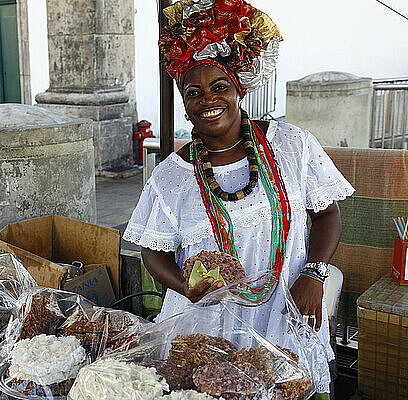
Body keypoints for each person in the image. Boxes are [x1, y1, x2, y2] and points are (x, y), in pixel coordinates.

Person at [123, 0, 354, 397]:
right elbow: (152, 253)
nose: (207, 100)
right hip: (204, 328)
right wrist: (185, 284)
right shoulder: (171, 177)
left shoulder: (292, 146)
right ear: (184, 102)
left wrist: (314, 274)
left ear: (238, 89)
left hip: (284, 313)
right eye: (193, 92)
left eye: (219, 87)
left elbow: (327, 213)